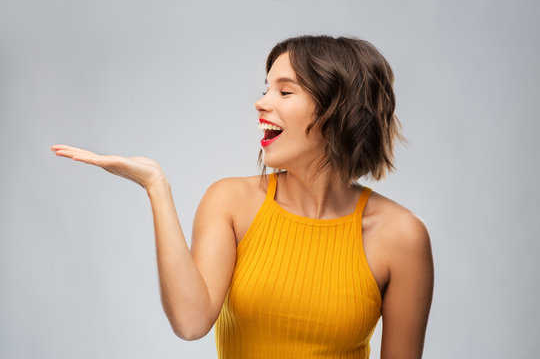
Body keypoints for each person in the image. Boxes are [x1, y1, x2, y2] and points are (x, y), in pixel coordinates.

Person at [51, 35, 434, 358]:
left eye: (285, 91)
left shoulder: (401, 236)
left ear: (339, 111)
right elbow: (190, 321)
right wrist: (156, 187)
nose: (262, 102)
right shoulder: (231, 202)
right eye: (266, 88)